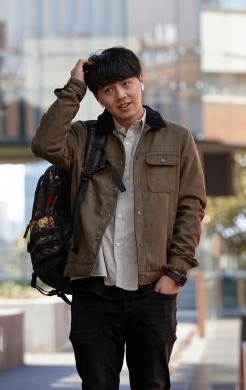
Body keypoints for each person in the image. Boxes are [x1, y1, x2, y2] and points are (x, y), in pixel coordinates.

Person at [31, 46, 206, 390]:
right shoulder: (83, 137)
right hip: (92, 289)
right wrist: (74, 87)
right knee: (96, 385)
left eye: (126, 83)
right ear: (98, 97)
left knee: (152, 384)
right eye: (108, 90)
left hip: (153, 289)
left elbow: (191, 206)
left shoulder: (177, 138)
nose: (120, 95)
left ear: (141, 79)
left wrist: (174, 273)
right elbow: (45, 144)